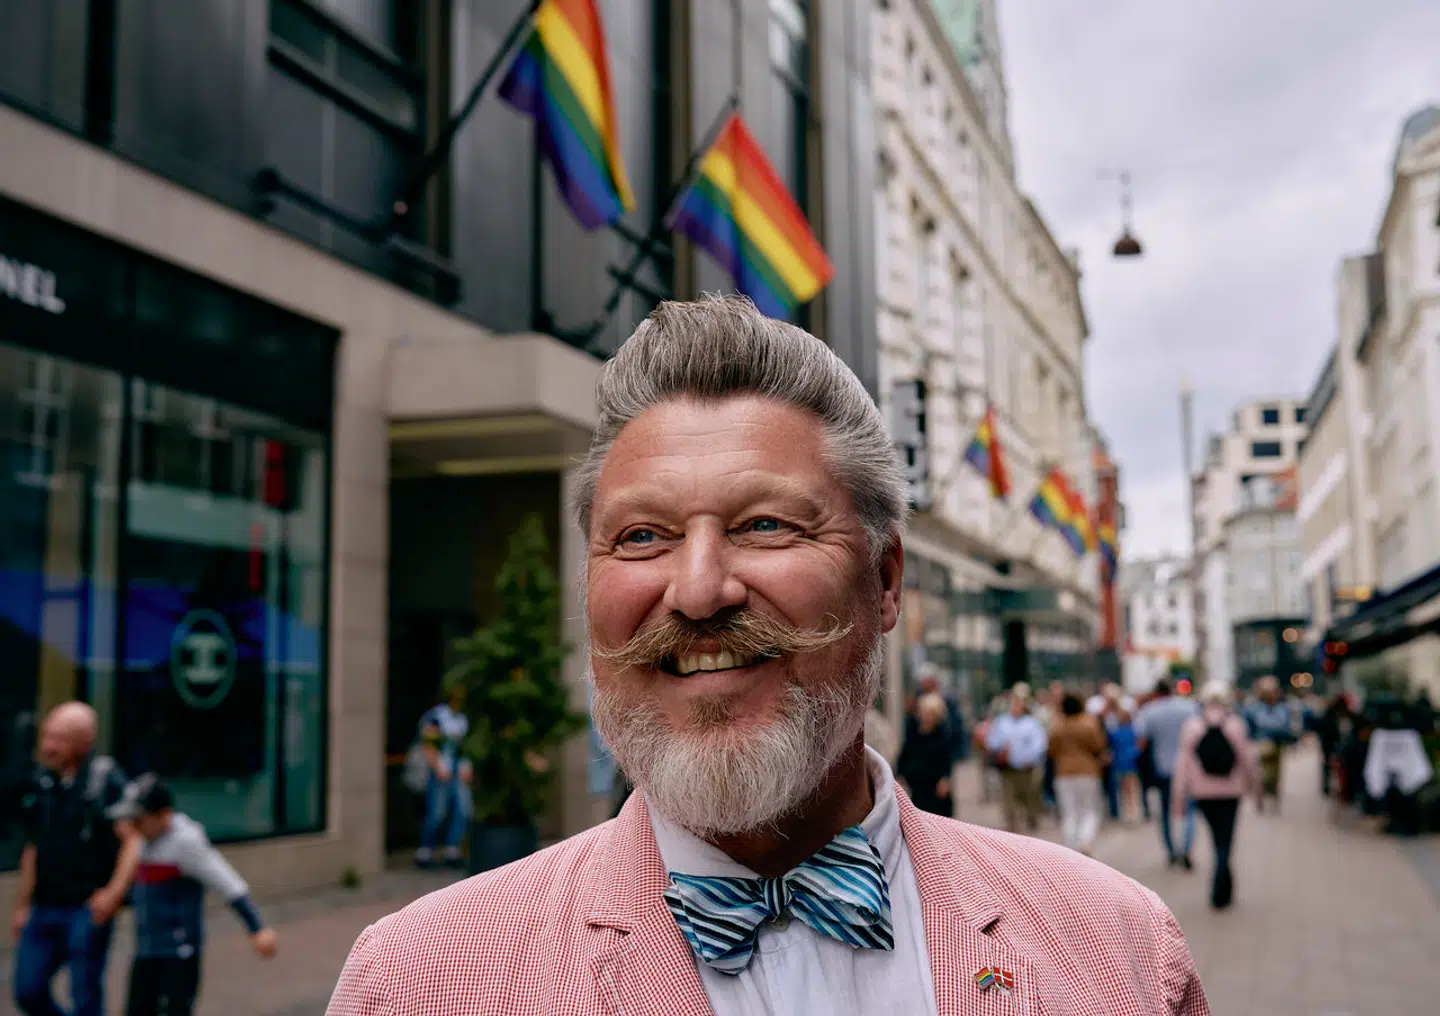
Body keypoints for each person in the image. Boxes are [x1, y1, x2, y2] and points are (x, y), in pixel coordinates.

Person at [326, 296, 1208, 1015]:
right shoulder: (417, 985)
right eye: (641, 536)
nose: (699, 589)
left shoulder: (1120, 949)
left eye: (765, 525)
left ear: (886, 579)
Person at [104, 774, 278, 1015]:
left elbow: (227, 883)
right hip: (146, 948)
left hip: (177, 951)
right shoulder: (140, 840)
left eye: (139, 819)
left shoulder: (186, 843)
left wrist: (256, 927)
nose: (134, 827)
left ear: (163, 815)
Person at [11, 702, 142, 1016]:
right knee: (27, 990)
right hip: (44, 906)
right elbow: (33, 846)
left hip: (86, 907)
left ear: (84, 743)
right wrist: (23, 904)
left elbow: (133, 840)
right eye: (47, 737)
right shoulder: (43, 780)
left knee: (85, 994)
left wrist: (113, 894)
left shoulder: (104, 779)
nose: (48, 747)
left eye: (60, 739)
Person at [1171, 683, 1258, 909]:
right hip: (1231, 792)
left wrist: (1179, 798)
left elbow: (1182, 765)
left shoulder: (1192, 726)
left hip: (1203, 793)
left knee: (1215, 839)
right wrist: (1256, 790)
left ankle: (1222, 886)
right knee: (1225, 840)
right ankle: (1222, 887)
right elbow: (1248, 760)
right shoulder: (1236, 725)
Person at [1135, 678, 1200, 869]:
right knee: (1188, 811)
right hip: (1188, 769)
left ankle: (1171, 852)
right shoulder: (1189, 707)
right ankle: (1186, 848)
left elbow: (1141, 741)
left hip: (1162, 769)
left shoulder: (1149, 711)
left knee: (1164, 813)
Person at [414, 685, 473, 868]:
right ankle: (425, 851)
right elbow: (428, 742)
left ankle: (451, 850)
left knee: (463, 810)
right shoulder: (436, 716)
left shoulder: (462, 719)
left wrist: (466, 765)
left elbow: (464, 745)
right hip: (440, 769)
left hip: (457, 768)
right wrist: (438, 766)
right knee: (437, 812)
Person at [984, 684, 1049, 834]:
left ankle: (1031, 822)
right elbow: (991, 741)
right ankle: (1013, 830)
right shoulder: (1002, 722)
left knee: (1029, 800)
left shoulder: (1031, 722)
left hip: (1027, 769)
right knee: (1009, 803)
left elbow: (1039, 744)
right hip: (1008, 769)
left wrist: (1030, 758)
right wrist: (1000, 748)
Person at [1047, 694, 1108, 855]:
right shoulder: (1089, 724)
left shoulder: (1058, 726)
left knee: (1069, 812)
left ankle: (1071, 846)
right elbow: (1098, 745)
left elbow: (1051, 750)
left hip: (1064, 772)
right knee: (1089, 810)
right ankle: (1085, 840)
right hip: (1087, 771)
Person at [1244, 676, 1295, 812]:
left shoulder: (1283, 707)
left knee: (1276, 773)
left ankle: (1273, 796)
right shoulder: (1255, 708)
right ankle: (1262, 796)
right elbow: (1250, 727)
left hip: (1278, 742)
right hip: (1263, 742)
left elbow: (1287, 726)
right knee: (1263, 773)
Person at [897, 695, 953, 816]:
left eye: (931, 713)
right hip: (917, 787)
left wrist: (945, 779)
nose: (927, 717)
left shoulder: (942, 736)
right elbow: (903, 757)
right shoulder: (913, 735)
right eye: (924, 713)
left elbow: (946, 761)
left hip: (935, 788)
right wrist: (901, 775)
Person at [1109, 707, 1142, 821]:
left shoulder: (1115, 733)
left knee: (1124, 789)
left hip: (1121, 762)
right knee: (1133, 788)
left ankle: (1128, 811)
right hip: (1132, 761)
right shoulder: (1134, 731)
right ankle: (1133, 810)